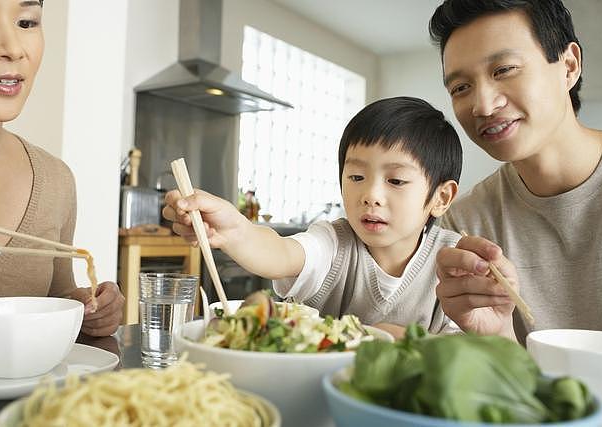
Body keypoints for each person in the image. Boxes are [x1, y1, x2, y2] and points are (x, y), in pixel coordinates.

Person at [164, 97, 463, 337]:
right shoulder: (334, 243)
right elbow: (282, 253)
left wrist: (402, 338)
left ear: (441, 197)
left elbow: (467, 352)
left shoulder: (454, 261)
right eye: (357, 176)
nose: (370, 195)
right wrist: (234, 231)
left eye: (396, 181)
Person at [429, 0, 602, 342]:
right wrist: (497, 336)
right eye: (461, 88)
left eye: (504, 69)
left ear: (568, 65)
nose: (483, 105)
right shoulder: (468, 226)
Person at [0, 0, 124, 336]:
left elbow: (55, 296)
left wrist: (86, 309)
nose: (12, 48)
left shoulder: (55, 180)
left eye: (26, 22)